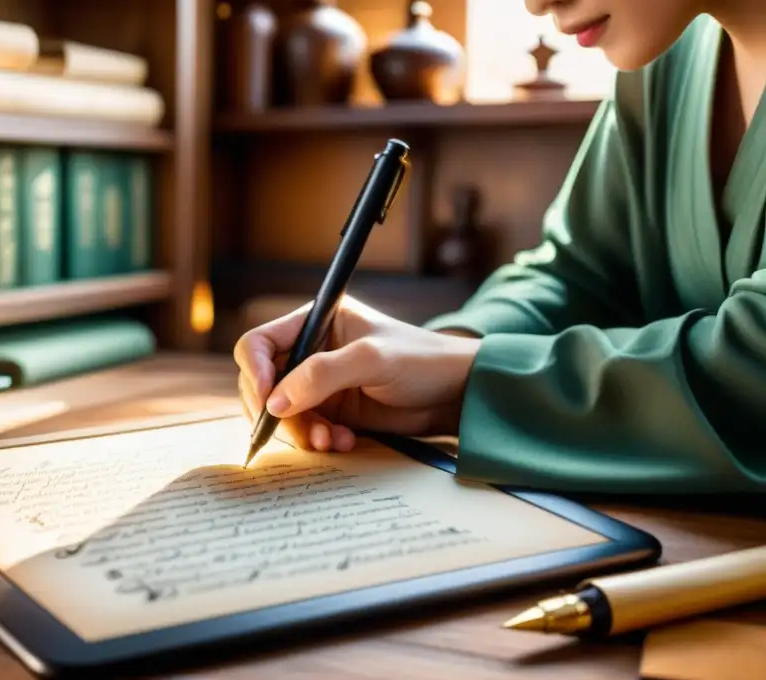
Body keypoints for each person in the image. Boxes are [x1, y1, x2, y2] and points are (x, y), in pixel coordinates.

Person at [233, 0, 766, 495]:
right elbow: (577, 274)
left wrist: (465, 377)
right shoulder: (667, 63)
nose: (535, 4)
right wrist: (433, 349)